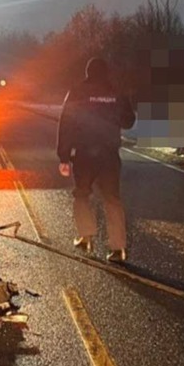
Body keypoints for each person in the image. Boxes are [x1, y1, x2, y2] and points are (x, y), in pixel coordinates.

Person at [56, 57, 136, 262]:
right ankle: (118, 249)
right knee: (112, 199)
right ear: (106, 73)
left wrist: (64, 156)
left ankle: (86, 236)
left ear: (88, 73)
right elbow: (129, 121)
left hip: (84, 154)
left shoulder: (77, 92)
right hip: (109, 155)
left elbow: (66, 124)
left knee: (82, 194)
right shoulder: (117, 93)